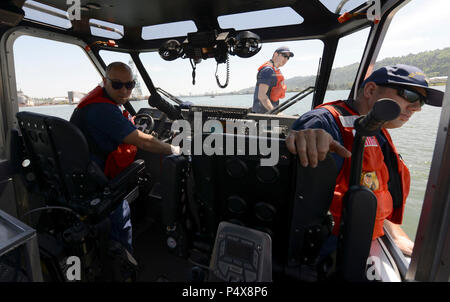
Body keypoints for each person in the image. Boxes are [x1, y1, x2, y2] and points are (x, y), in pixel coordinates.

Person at [285, 64, 444, 257]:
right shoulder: (323, 122)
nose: (416, 108)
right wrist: (304, 138)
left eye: (422, 102)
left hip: (364, 239)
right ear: (370, 90)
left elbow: (375, 190)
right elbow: (295, 196)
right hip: (329, 252)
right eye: (410, 95)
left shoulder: (378, 128)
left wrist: (395, 235)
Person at [70, 62, 180, 254]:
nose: (124, 91)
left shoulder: (94, 103)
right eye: (117, 85)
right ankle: (123, 264)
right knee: (121, 214)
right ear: (104, 82)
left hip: (80, 175)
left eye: (129, 85)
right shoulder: (103, 110)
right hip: (96, 183)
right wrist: (174, 149)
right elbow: (145, 143)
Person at [252, 46, 294, 113]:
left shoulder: (275, 70)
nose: (286, 59)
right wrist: (275, 113)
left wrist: (277, 111)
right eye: (284, 55)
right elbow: (262, 96)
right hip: (263, 117)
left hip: (270, 114)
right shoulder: (268, 70)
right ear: (275, 54)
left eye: (288, 57)